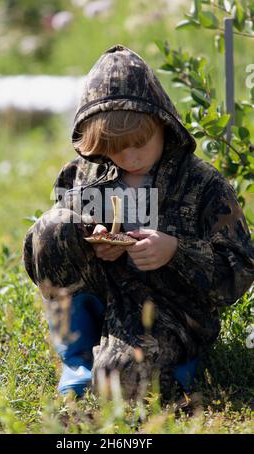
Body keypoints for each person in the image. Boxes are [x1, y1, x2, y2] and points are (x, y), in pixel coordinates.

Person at [22, 44, 254, 401]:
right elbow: (52, 250)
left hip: (170, 312)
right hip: (103, 298)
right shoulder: (83, 174)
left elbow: (239, 270)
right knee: (53, 226)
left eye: (139, 144)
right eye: (115, 146)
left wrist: (176, 251)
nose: (129, 157)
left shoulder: (203, 183)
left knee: (119, 379)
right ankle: (77, 358)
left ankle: (180, 362)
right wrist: (92, 238)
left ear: (163, 125)